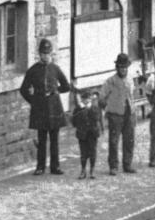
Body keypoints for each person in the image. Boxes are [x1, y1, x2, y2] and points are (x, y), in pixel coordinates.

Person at [19, 38, 72, 176]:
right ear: (39, 54)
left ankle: (55, 167)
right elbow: (23, 89)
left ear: (51, 54)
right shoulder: (33, 70)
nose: (46, 56)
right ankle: (40, 167)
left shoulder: (56, 69)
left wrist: (56, 91)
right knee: (42, 139)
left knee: (54, 140)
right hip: (40, 109)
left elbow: (66, 86)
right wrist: (33, 101)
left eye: (48, 53)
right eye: (43, 53)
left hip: (54, 108)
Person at [99, 54, 138, 173]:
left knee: (129, 140)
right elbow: (101, 97)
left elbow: (132, 95)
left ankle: (127, 164)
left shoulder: (130, 79)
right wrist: (109, 109)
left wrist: (133, 112)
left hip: (129, 114)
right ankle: (113, 166)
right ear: (117, 68)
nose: (124, 70)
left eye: (126, 67)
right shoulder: (110, 81)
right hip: (115, 115)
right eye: (121, 67)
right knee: (114, 141)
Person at [71, 89, 103, 180]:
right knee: (83, 153)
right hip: (82, 134)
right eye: (84, 99)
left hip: (92, 133)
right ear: (81, 99)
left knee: (93, 152)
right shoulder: (78, 109)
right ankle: (83, 170)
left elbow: (97, 118)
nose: (86, 101)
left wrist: (90, 108)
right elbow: (74, 122)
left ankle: (92, 170)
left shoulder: (94, 107)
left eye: (88, 99)